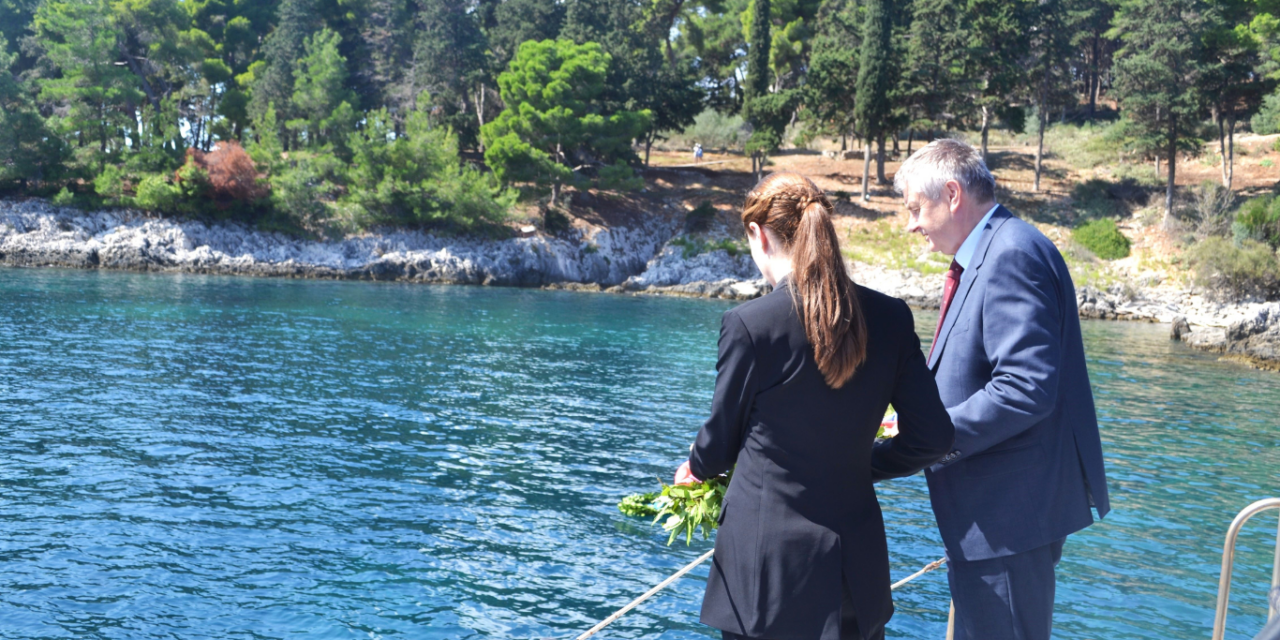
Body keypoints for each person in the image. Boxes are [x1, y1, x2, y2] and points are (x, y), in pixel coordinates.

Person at [674, 172, 955, 640]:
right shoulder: (891, 317)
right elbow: (934, 437)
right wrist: (860, 463)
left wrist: (697, 467)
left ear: (758, 235)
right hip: (855, 573)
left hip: (767, 581)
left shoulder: (750, 325)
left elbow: (720, 445)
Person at [891, 139, 1110, 640]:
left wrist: (931, 432)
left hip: (1007, 520)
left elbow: (1025, 387)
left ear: (951, 194)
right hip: (998, 518)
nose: (912, 224)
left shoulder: (1011, 253)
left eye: (915, 209)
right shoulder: (997, 249)